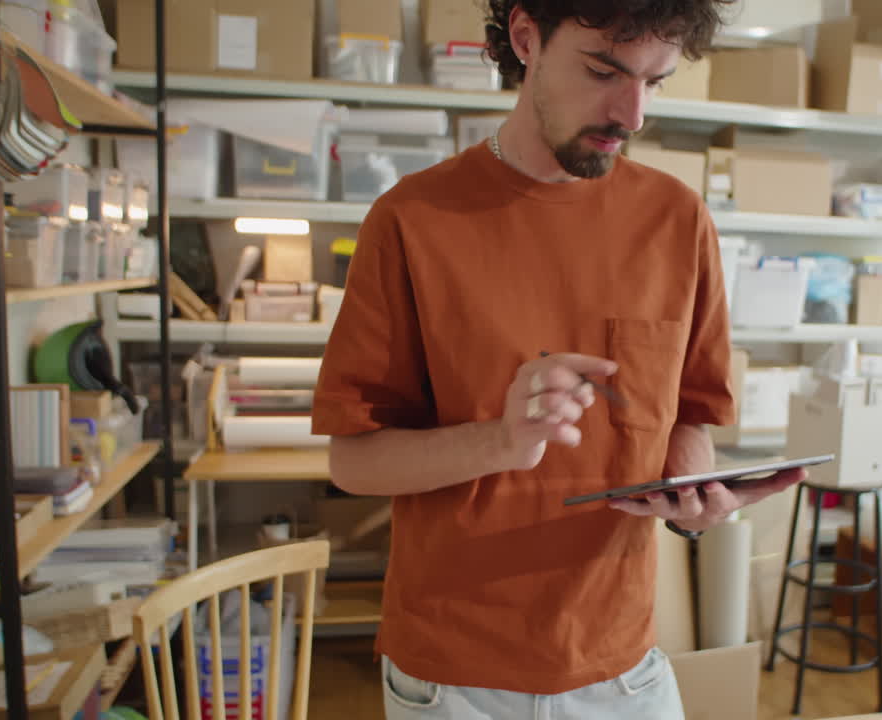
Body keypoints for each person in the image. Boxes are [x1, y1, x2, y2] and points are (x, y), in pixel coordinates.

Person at [312, 1, 805, 717]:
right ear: (525, 39)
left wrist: (696, 500)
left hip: (623, 669)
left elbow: (688, 417)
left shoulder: (676, 220)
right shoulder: (413, 220)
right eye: (604, 70)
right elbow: (352, 463)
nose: (632, 114)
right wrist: (502, 442)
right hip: (455, 682)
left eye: (655, 81)